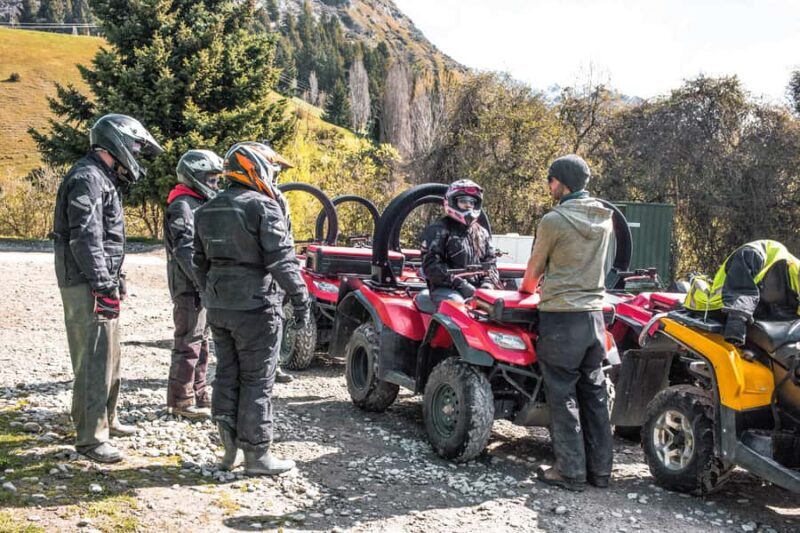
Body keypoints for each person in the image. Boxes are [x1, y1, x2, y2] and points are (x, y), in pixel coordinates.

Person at [193, 141, 309, 475]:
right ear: (257, 167)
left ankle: (229, 453)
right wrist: (301, 300)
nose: (274, 175)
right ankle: (258, 456)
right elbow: (282, 261)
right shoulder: (263, 207)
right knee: (258, 380)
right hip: (257, 307)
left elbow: (198, 261)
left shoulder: (206, 209)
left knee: (227, 374)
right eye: (271, 168)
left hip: (219, 306)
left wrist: (212, 293)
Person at [52, 114, 163, 463]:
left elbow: (107, 239)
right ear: (114, 142)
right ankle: (90, 438)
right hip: (85, 282)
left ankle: (105, 419)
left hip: (99, 280)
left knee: (110, 357)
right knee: (94, 360)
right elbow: (84, 238)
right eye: (133, 146)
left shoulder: (103, 178)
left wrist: (117, 280)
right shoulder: (87, 178)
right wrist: (102, 283)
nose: (135, 154)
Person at [520, 154, 614, 491]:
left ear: (562, 183)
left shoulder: (554, 220)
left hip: (561, 319)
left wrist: (527, 290)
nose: (549, 185)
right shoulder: (606, 219)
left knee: (562, 395)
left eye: (550, 179)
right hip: (595, 318)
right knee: (594, 394)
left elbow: (534, 269)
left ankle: (570, 472)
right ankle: (601, 473)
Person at [164, 150, 223, 419]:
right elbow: (185, 249)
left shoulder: (197, 202)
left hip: (201, 283)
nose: (215, 184)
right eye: (210, 179)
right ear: (194, 176)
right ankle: (180, 399)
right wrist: (202, 282)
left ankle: (199, 392)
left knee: (202, 341)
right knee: (188, 340)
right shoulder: (182, 205)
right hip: (188, 285)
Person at [684, 239, 800, 345]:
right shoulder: (769, 251)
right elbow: (741, 286)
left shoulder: (793, 282)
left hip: (754, 313)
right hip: (718, 304)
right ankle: (696, 279)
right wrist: (736, 321)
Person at [420, 179, 499, 306]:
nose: (468, 206)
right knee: (459, 309)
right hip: (446, 289)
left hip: (477, 288)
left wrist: (487, 285)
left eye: (472, 202)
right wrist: (461, 284)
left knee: (500, 308)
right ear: (452, 202)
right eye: (463, 201)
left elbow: (491, 263)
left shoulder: (482, 233)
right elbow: (431, 267)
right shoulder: (438, 230)